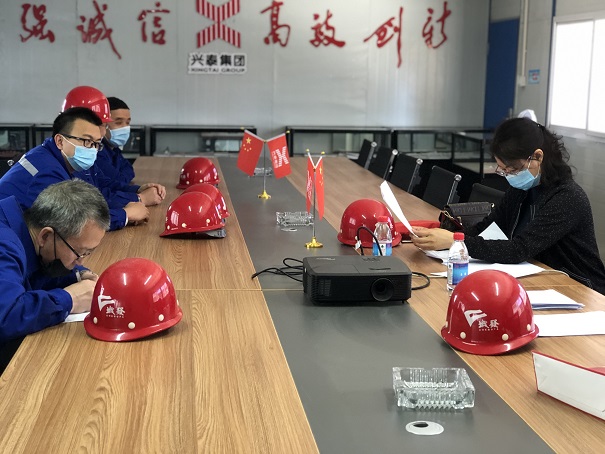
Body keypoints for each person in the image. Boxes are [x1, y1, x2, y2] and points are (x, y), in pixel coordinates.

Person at [411, 117, 605, 294]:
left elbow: (519, 249)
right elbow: (485, 228)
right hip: (541, 278)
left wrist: (454, 241)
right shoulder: (522, 189)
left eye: (513, 169)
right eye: (503, 170)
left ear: (537, 157)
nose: (509, 176)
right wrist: (443, 236)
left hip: (580, 288)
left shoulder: (567, 197)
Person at [0, 179, 110, 374]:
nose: (80, 262)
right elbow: (7, 316)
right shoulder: (5, 244)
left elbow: (32, 275)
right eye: (79, 252)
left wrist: (75, 276)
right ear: (45, 236)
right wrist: (70, 299)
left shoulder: (29, 228)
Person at [0, 107, 149, 230]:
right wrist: (126, 214)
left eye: (96, 144)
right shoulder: (47, 170)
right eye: (86, 141)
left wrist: (134, 193)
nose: (92, 150)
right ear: (60, 141)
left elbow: (93, 196)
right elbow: (75, 222)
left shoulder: (61, 159)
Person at [96, 96, 136, 184]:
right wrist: (123, 176)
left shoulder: (114, 148)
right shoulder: (96, 151)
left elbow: (129, 170)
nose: (125, 127)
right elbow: (118, 180)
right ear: (102, 124)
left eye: (128, 122)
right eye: (118, 122)